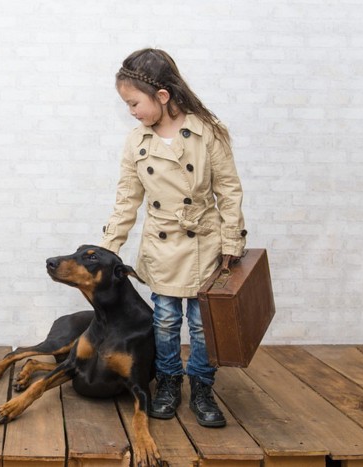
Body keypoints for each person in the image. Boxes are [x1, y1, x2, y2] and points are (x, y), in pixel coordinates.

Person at [99, 48, 247, 428]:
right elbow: (126, 199)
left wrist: (232, 241)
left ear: (162, 96)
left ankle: (201, 384)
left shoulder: (207, 132)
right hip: (162, 246)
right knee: (164, 321)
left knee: (201, 324)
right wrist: (107, 248)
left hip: (204, 245)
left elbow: (229, 190)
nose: (131, 111)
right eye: (126, 105)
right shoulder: (136, 142)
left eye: (134, 103)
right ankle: (167, 382)